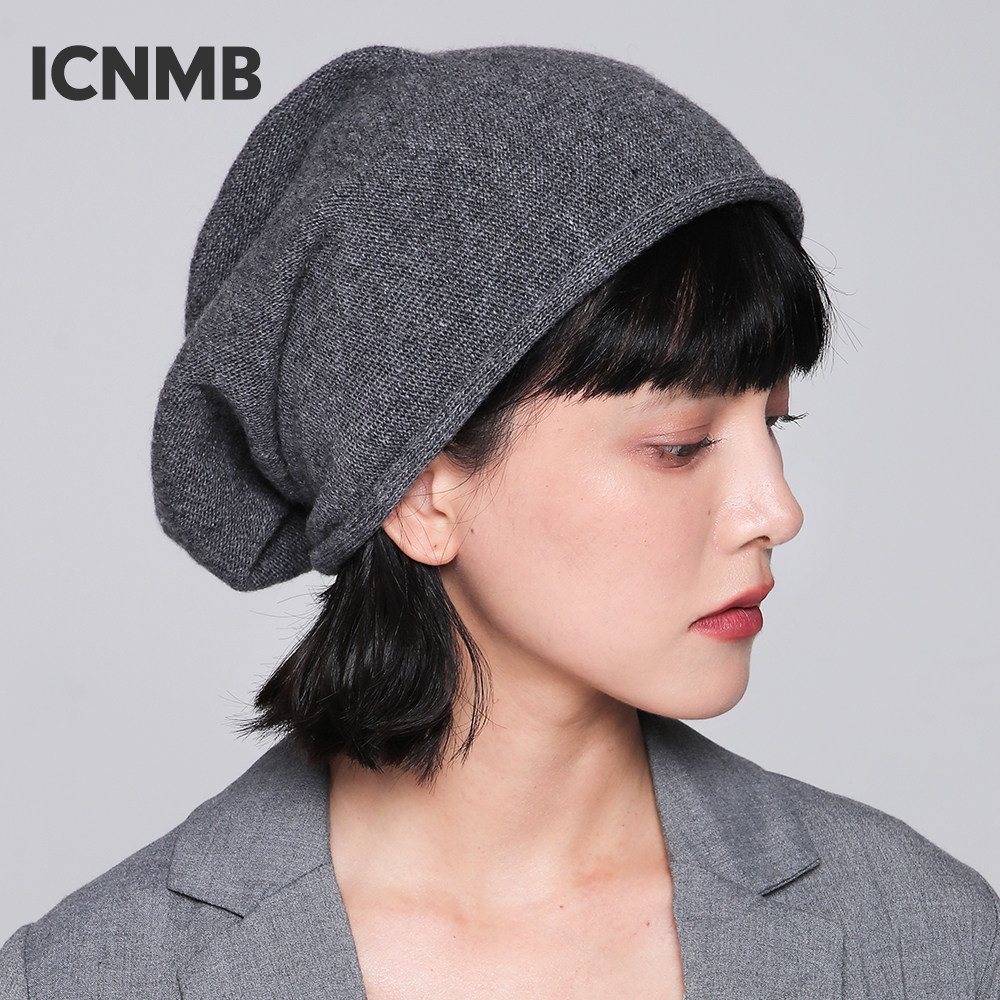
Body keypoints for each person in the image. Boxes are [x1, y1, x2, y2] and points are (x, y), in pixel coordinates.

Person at [2, 43, 997, 1000]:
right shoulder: (89, 977)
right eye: (681, 444)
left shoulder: (928, 939)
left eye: (774, 423)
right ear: (422, 493)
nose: (777, 510)